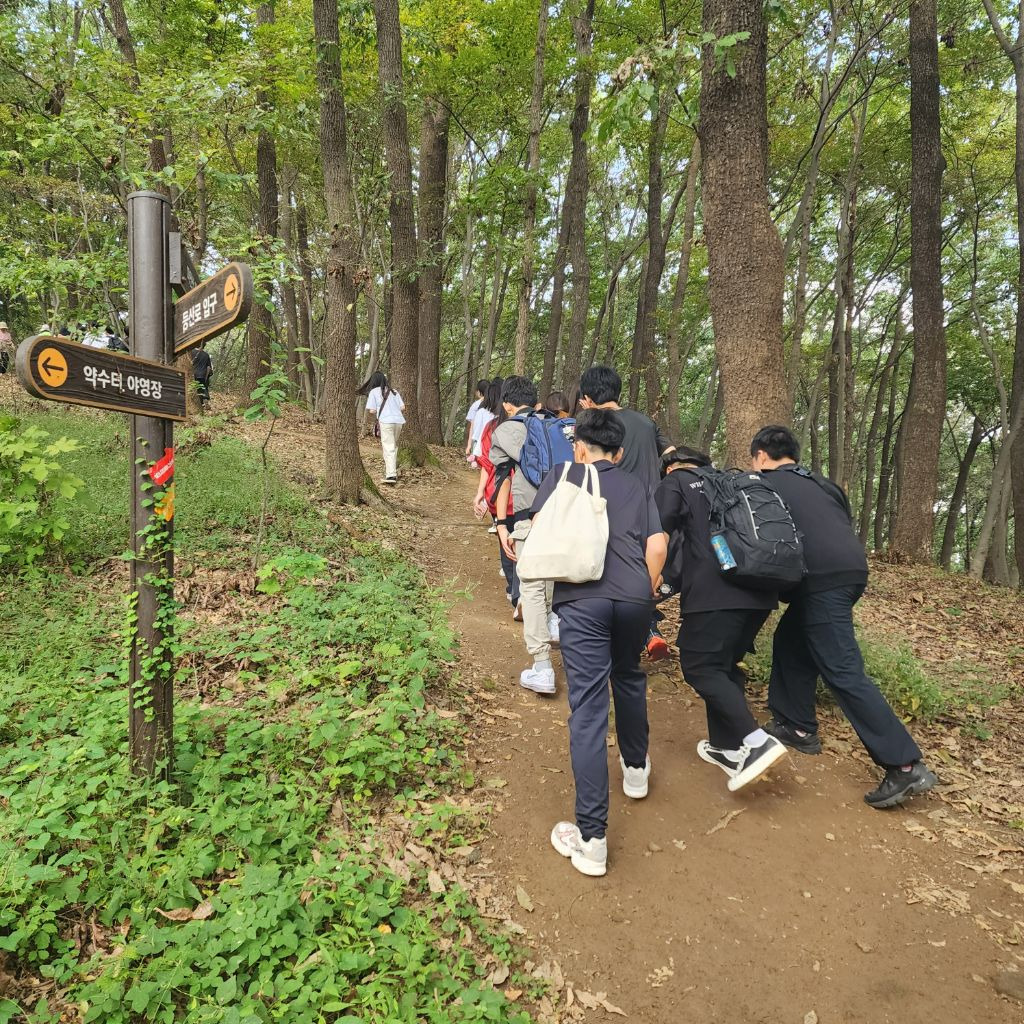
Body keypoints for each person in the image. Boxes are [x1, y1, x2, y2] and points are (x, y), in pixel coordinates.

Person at [750, 425, 938, 809]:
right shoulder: (823, 485)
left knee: (843, 669)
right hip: (850, 573)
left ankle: (904, 765)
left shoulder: (765, 483)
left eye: (755, 459)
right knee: (791, 639)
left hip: (822, 581)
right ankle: (796, 725)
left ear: (762, 456)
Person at [538, 409, 667, 877]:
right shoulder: (637, 485)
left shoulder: (562, 475)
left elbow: (541, 527)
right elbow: (657, 545)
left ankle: (592, 840)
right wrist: (642, 589)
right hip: (635, 598)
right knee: (629, 676)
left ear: (580, 447)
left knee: (590, 709)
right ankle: (635, 771)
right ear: (620, 451)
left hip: (583, 600)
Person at [655, 447, 788, 792]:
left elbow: (657, 536)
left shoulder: (677, 482)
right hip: (760, 591)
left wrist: (646, 582)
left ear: (670, 469)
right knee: (724, 666)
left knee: (699, 667)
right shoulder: (733, 485)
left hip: (715, 594)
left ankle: (756, 741)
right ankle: (727, 747)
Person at [578, 365, 676, 660]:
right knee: (646, 571)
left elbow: (582, 464)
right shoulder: (645, 422)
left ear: (588, 398)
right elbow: (671, 453)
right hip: (651, 508)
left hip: (611, 507)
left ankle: (610, 643)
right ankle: (647, 630)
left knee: (608, 575)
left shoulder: (593, 425)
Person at [492, 376, 561, 689]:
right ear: (536, 402)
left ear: (507, 404)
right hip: (563, 510)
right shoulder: (556, 425)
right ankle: (553, 620)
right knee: (554, 575)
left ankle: (542, 667)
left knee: (531, 584)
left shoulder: (506, 429)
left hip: (528, 513)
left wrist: (501, 524)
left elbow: (503, 476)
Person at [473, 380, 518, 606]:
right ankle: (520, 589)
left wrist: (480, 492)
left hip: (498, 492)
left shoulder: (492, 427)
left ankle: (512, 588)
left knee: (504, 539)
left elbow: (486, 464)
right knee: (522, 539)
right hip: (524, 495)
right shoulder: (534, 426)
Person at [361, 370, 406, 485]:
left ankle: (391, 475)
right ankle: (392, 470)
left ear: (374, 381)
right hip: (398, 421)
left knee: (388, 447)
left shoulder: (374, 392)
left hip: (386, 421)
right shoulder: (394, 391)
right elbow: (403, 407)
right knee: (393, 446)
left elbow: (372, 410)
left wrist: (380, 410)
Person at [465, 379, 489, 460]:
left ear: (479, 391)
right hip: (490, 439)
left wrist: (469, 445)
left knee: (479, 462)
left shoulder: (475, 405)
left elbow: (472, 426)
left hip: (477, 439)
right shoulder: (495, 404)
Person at [191, 343, 214, 409]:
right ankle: (205, 400)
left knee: (196, 389)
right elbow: (208, 367)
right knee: (203, 387)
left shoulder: (191, 352)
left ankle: (200, 404)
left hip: (194, 374)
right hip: (202, 374)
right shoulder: (206, 355)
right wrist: (206, 377)